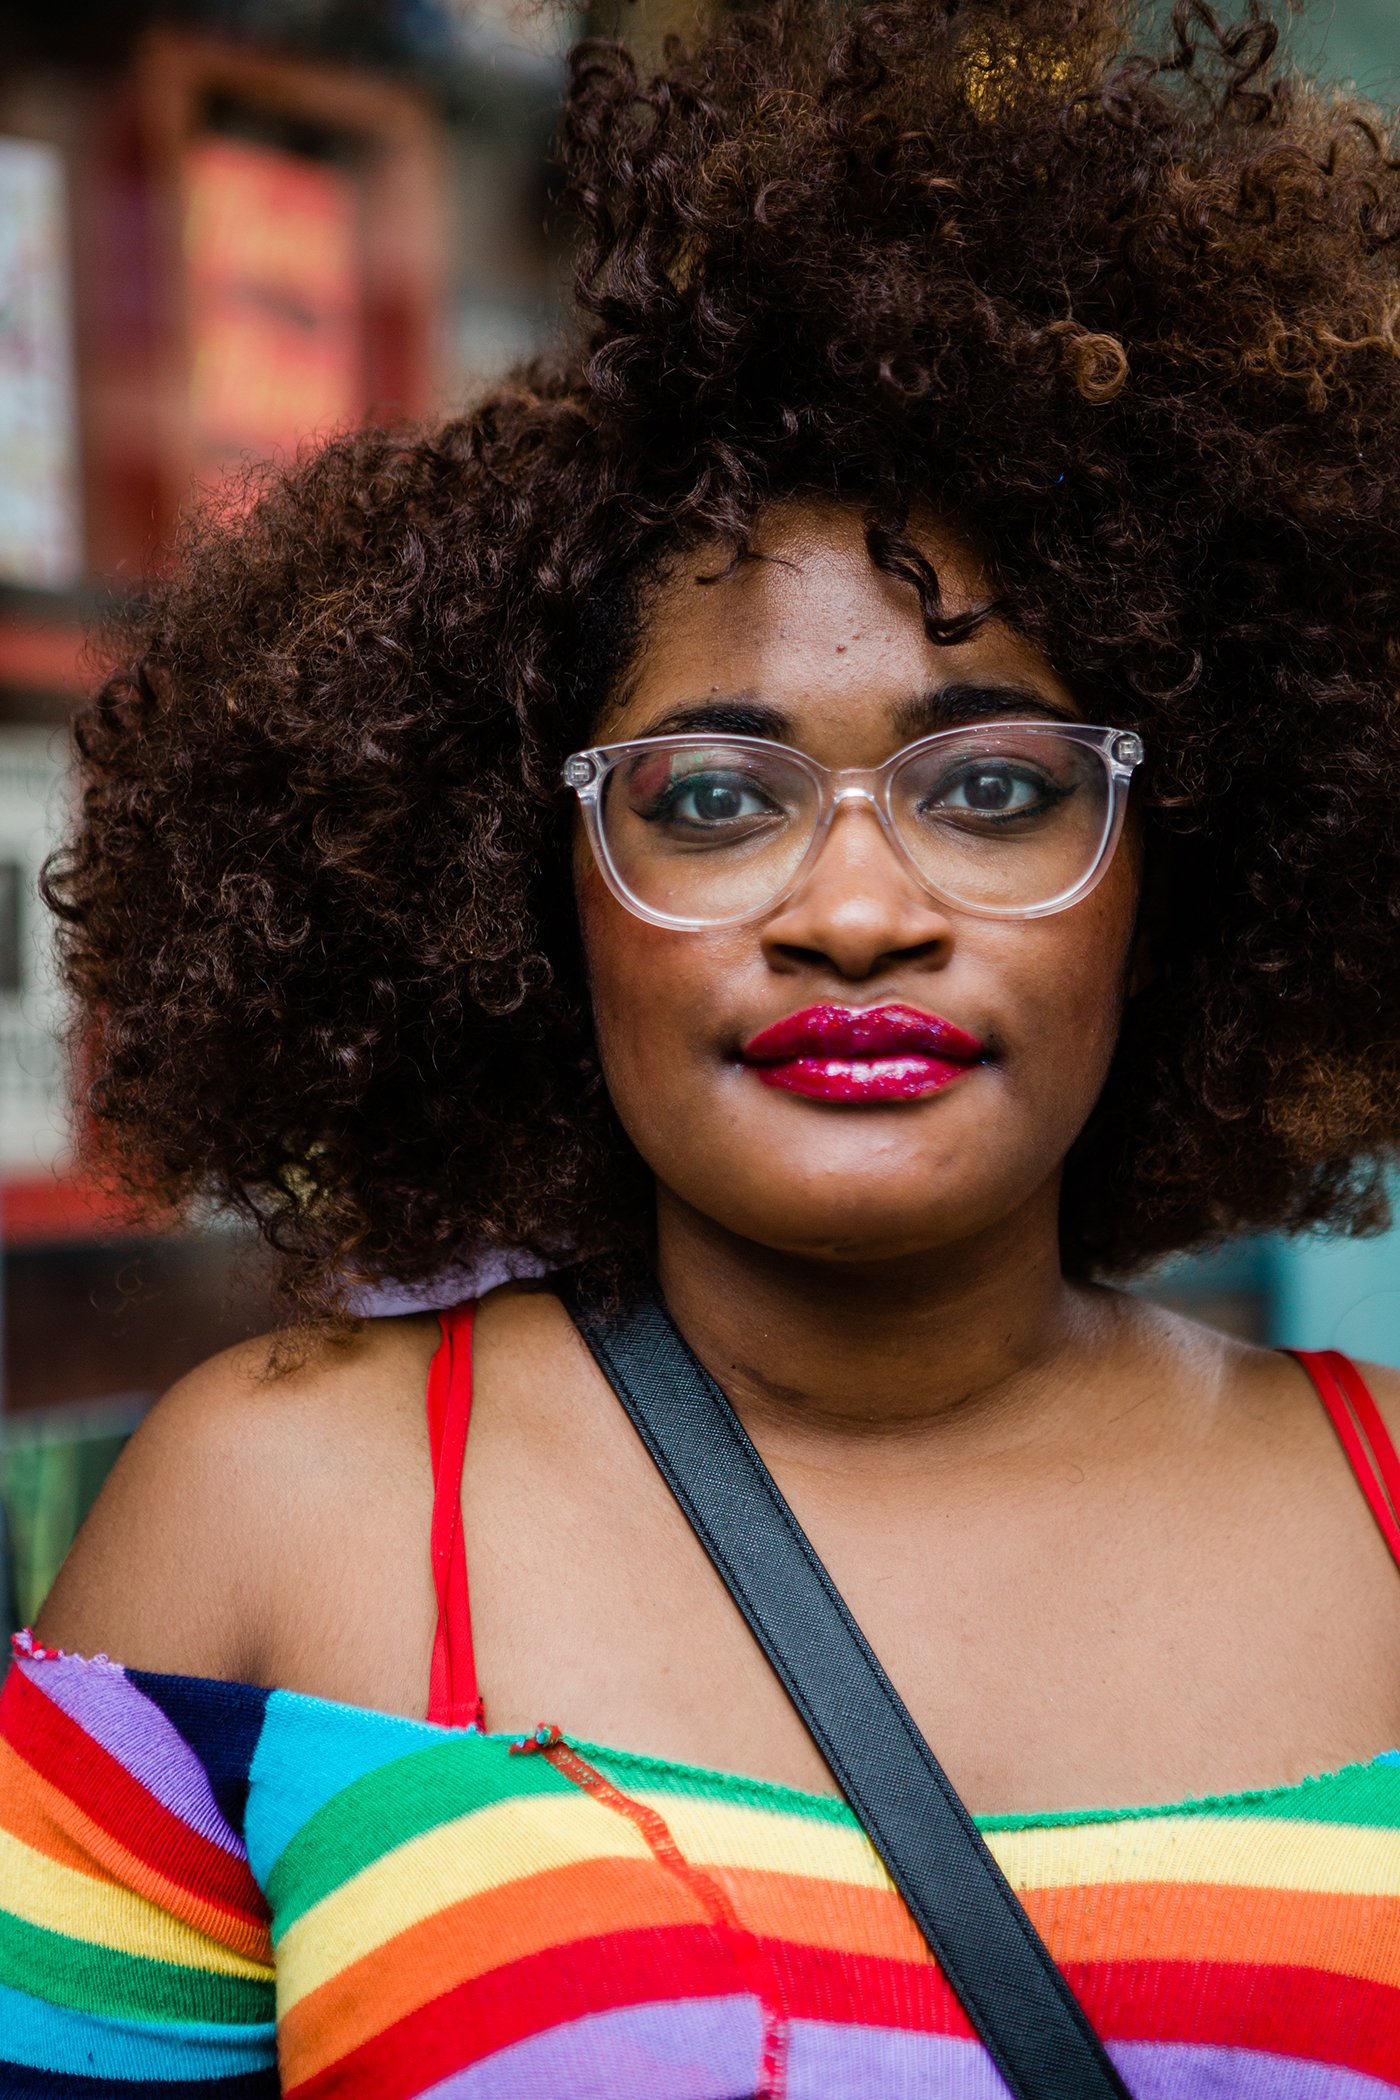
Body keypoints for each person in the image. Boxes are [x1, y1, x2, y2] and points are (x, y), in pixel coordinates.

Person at [4, 0, 1400, 2091]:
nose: (853, 911)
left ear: (1182, 859)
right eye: (714, 797)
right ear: (517, 881)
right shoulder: (272, 1516)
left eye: (997, 788)